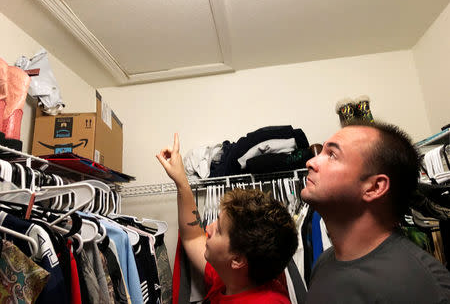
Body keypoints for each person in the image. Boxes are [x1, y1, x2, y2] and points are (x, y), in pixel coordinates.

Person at [302, 120, 450, 303]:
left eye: (332, 154)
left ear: (374, 187)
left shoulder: (422, 286)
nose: (310, 162)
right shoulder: (323, 263)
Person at [157, 134, 298, 303]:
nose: (208, 228)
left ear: (237, 259)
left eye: (219, 230)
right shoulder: (232, 279)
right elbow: (193, 237)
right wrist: (181, 181)